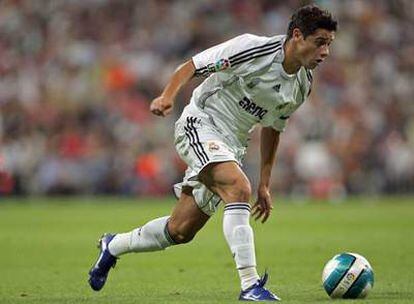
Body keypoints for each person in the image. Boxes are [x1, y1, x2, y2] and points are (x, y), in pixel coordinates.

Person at [88, 5, 337, 301]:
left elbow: (274, 127)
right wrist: (167, 96)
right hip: (200, 122)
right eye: (320, 42)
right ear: (297, 36)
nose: (325, 53)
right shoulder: (253, 49)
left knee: (179, 231)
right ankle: (250, 285)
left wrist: (265, 183)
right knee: (237, 187)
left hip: (230, 146)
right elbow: (192, 66)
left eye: (329, 45)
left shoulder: (302, 85)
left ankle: (113, 245)